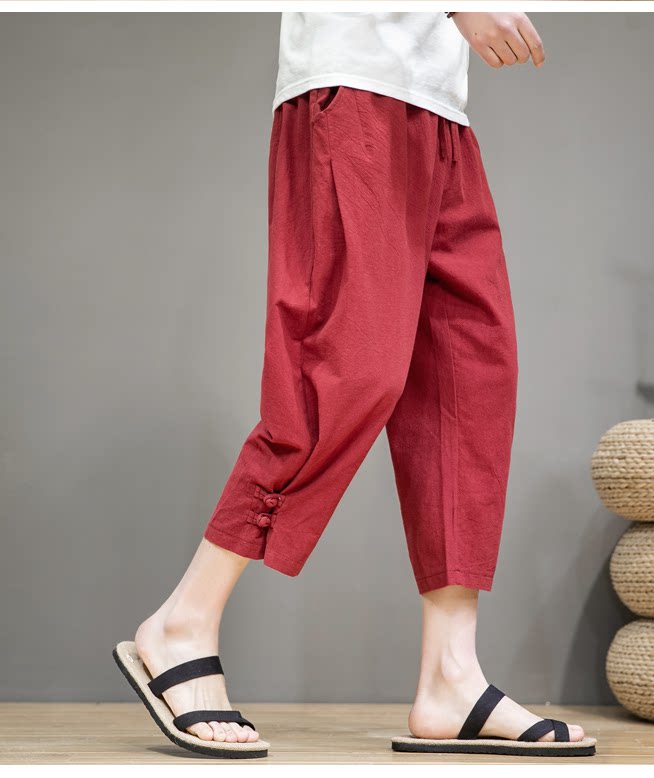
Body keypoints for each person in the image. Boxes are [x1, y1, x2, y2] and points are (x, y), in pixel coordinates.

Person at [121, 10, 595, 757]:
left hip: (439, 106)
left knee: (469, 377)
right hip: (352, 83)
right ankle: (182, 621)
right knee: (343, 373)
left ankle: (450, 675)